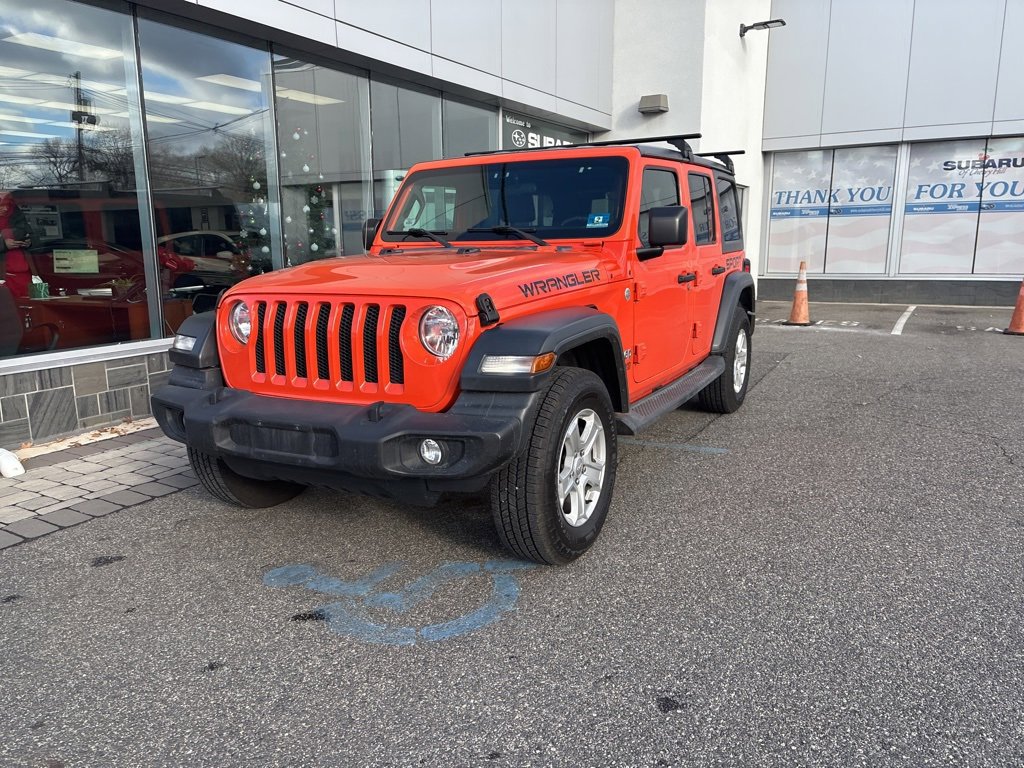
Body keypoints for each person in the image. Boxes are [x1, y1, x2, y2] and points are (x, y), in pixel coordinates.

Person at [0, 192, 33, 298]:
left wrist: (29, 242)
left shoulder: (17, 217)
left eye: (8, 205)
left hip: (25, 275)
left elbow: (33, 235)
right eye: (1, 206)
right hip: (4, 277)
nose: (5, 209)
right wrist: (3, 244)